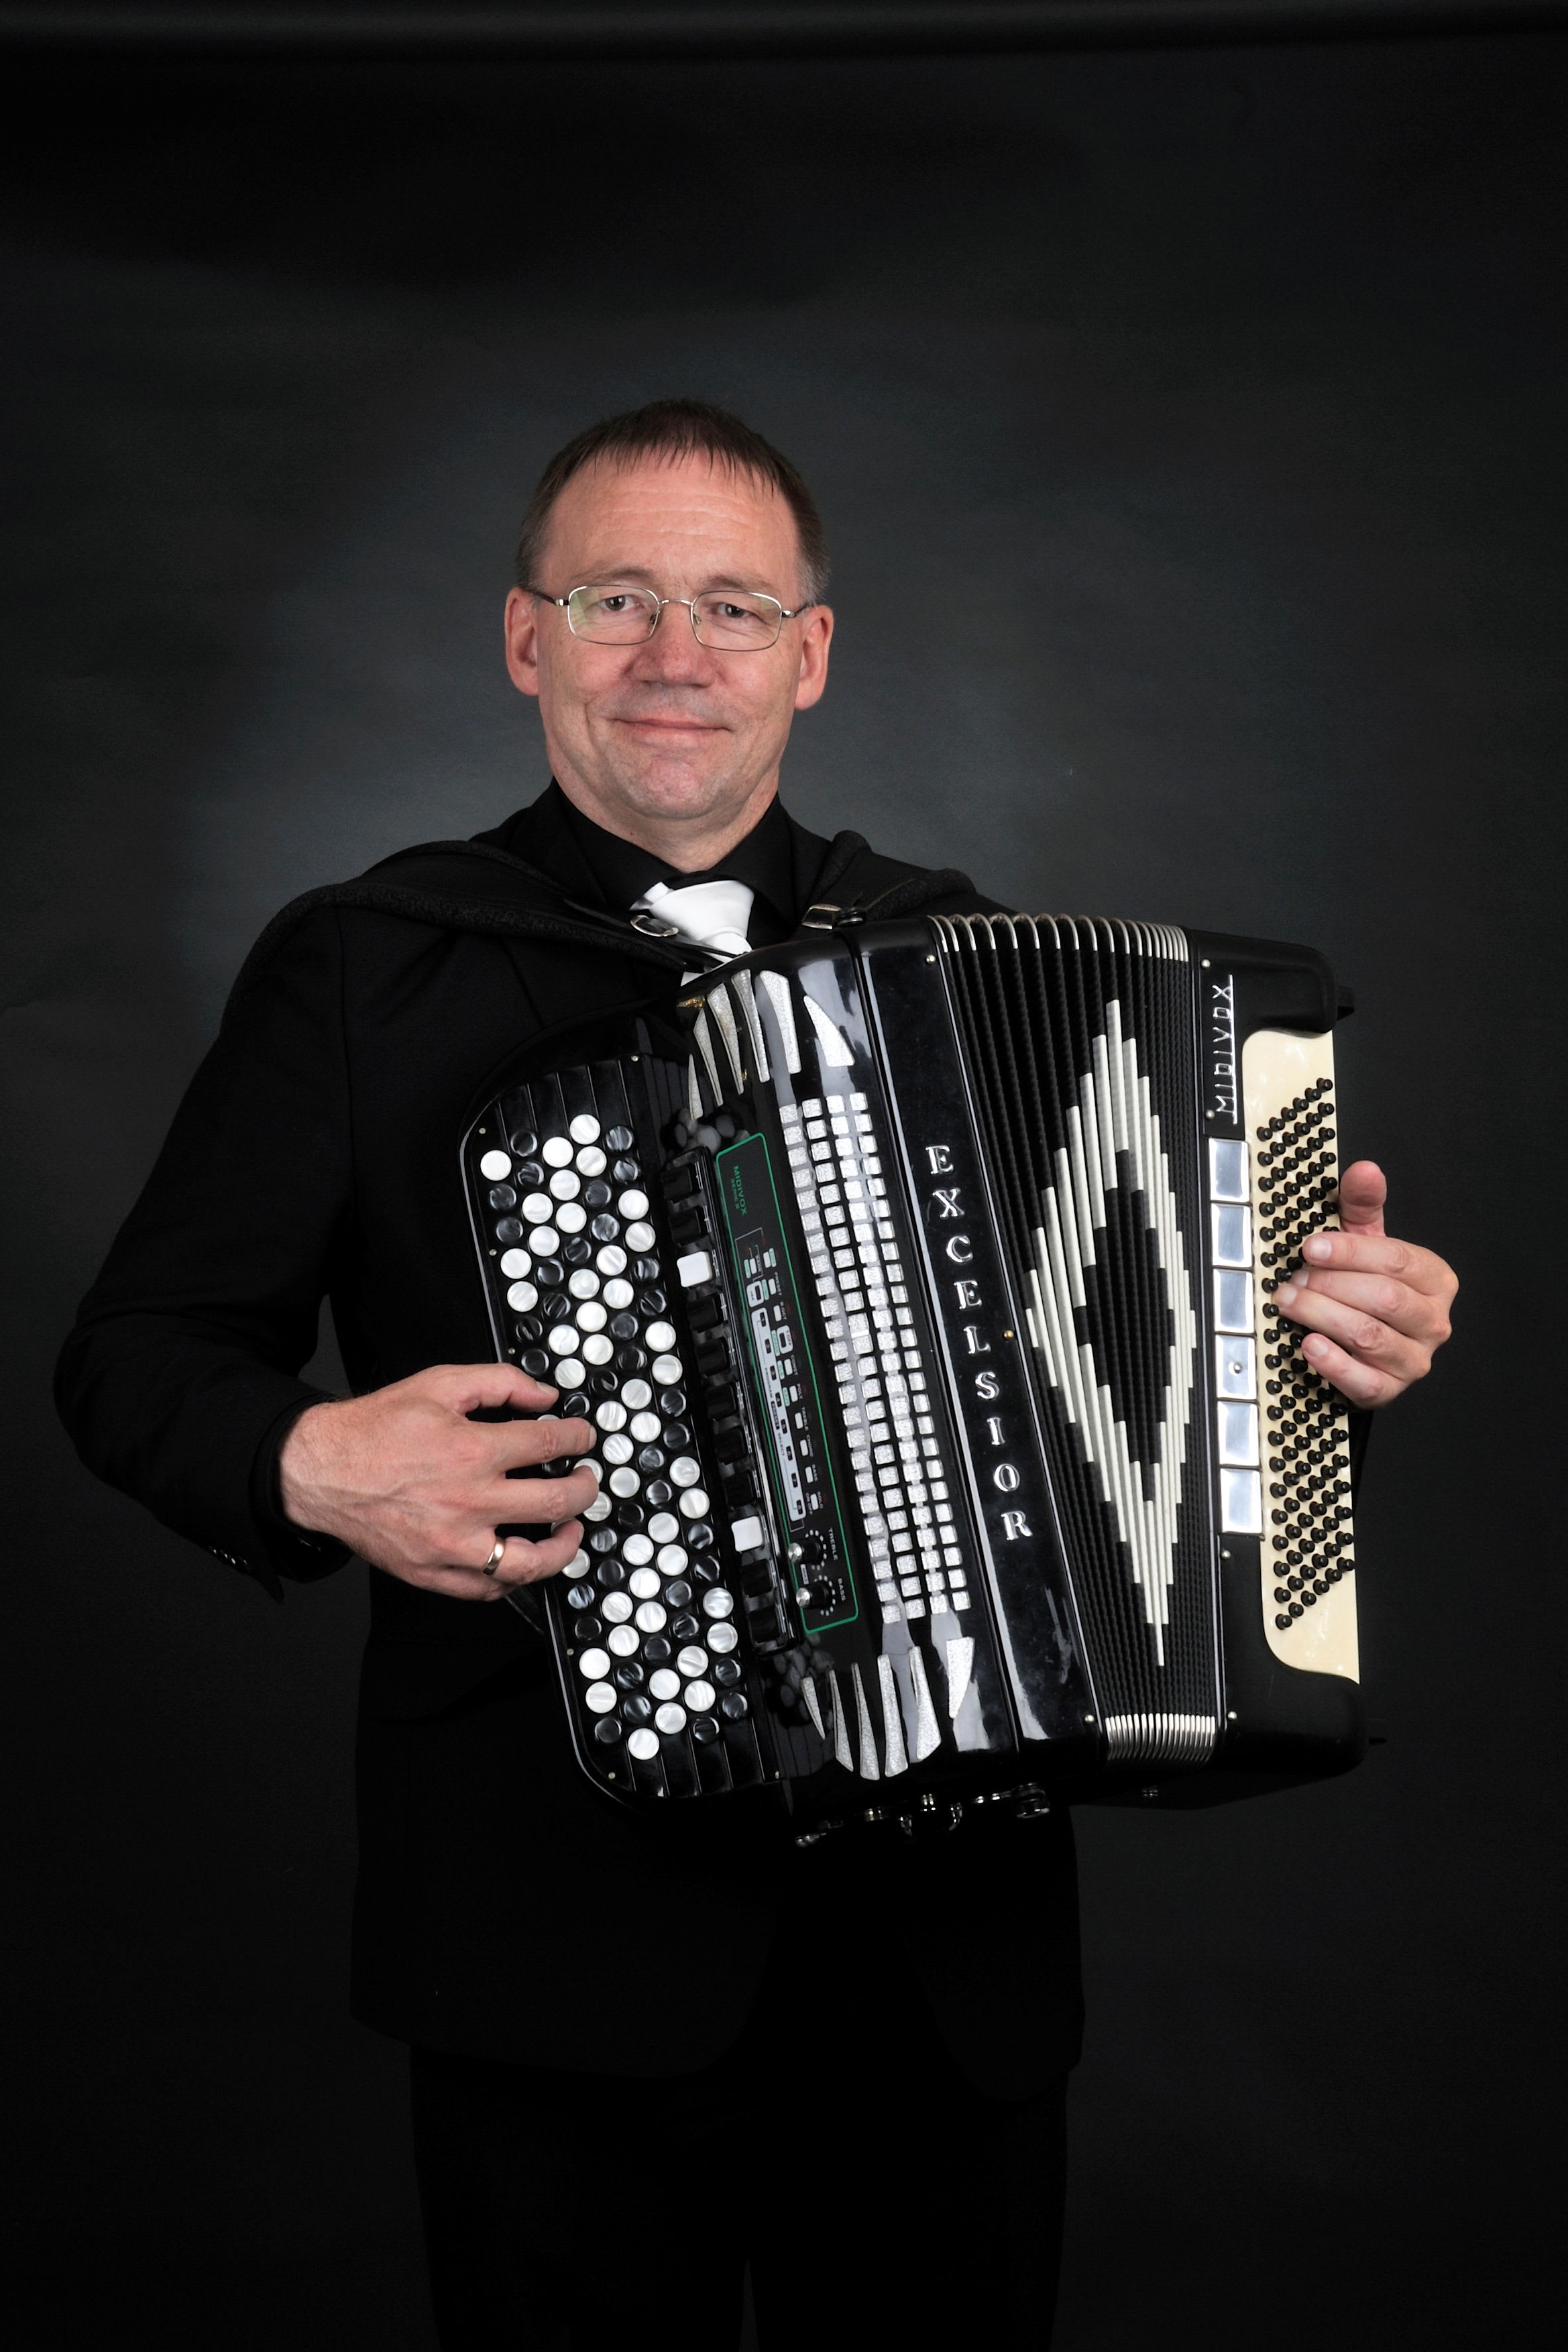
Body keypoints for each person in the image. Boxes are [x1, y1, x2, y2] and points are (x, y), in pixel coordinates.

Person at [55, 400, 1457, 2350]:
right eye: (614, 599)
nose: (674, 654)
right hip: (548, 1933)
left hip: (947, 1960)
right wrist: (311, 1459)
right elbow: (136, 1355)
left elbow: (1147, 1381)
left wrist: (1332, 1346)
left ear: (809, 654)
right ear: (526, 638)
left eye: (731, 607)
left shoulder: (957, 952)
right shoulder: (366, 966)